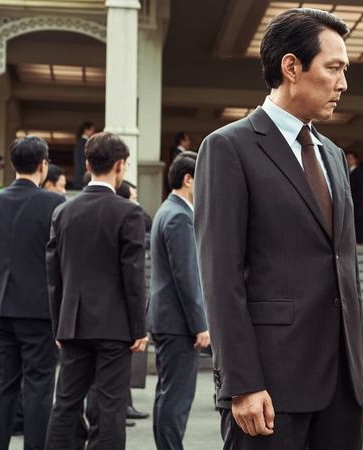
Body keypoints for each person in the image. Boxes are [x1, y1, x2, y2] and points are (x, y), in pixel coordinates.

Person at [194, 8, 363, 450]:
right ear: (291, 67)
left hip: (341, 389)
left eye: (345, 70)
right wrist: (241, 382)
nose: (343, 83)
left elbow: (344, 268)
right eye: (334, 68)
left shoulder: (333, 155)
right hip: (269, 387)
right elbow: (221, 276)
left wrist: (359, 370)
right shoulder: (228, 147)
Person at [45, 132, 148, 448]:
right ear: (120, 166)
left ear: (87, 165)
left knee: (65, 403)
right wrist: (139, 328)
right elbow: (133, 276)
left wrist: (59, 325)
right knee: (109, 407)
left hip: (73, 322)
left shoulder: (63, 211)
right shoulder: (128, 212)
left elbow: (54, 276)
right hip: (114, 325)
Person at [0, 136, 65, 449]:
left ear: (13, 164)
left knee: (3, 384)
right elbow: (60, 261)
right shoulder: (54, 204)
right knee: (39, 386)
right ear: (43, 165)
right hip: (40, 310)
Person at [149, 152, 210, 449]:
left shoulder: (167, 210)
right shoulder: (179, 216)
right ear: (188, 179)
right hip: (177, 322)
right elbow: (186, 276)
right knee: (177, 398)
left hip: (167, 319)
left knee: (167, 395)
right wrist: (200, 325)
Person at [346, 151, 363, 245]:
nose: (348, 160)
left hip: (358, 201)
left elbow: (362, 186)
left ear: (355, 160)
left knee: (359, 223)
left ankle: (360, 243)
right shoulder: (346, 172)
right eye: (347, 158)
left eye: (350, 158)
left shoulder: (360, 171)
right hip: (350, 202)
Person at [72, 122, 96, 190]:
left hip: (79, 177)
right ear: (86, 130)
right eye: (92, 130)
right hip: (82, 178)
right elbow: (83, 162)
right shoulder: (85, 143)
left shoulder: (80, 142)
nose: (93, 132)